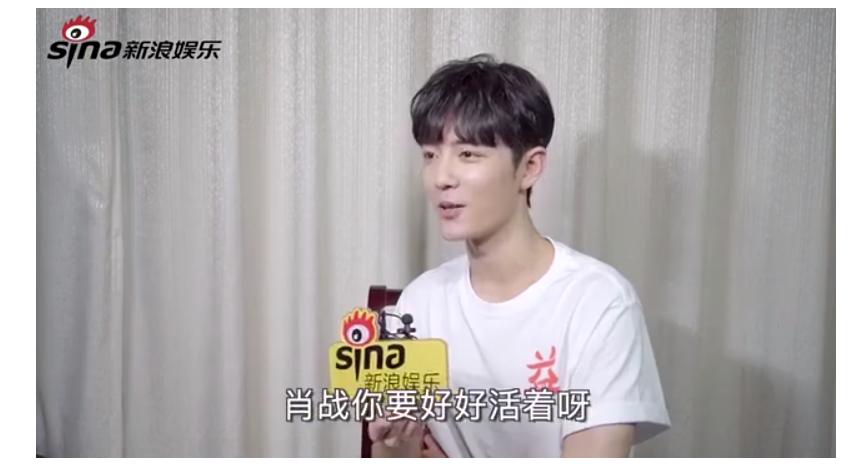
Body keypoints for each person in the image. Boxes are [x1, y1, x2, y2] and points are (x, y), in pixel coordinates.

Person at [369, 53, 670, 457]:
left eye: (468, 154)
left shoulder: (599, 303)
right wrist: (399, 442)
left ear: (529, 168)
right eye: (430, 155)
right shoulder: (419, 303)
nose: (441, 178)